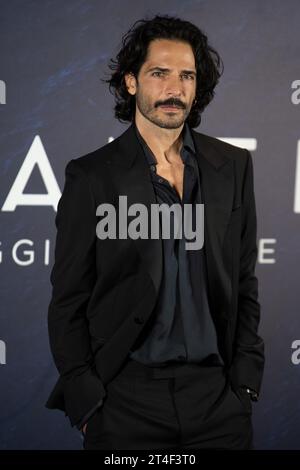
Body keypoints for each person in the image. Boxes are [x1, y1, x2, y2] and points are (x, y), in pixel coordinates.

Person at [45, 14, 265, 450]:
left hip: (218, 401)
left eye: (187, 75)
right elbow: (68, 299)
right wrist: (88, 401)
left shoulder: (233, 166)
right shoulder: (91, 177)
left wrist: (244, 383)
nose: (174, 88)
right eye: (159, 73)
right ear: (131, 83)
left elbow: (244, 281)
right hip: (125, 401)